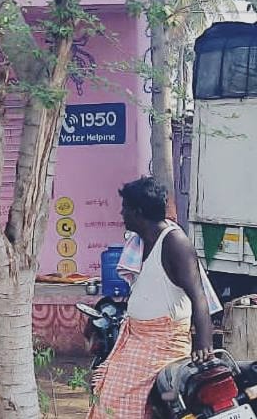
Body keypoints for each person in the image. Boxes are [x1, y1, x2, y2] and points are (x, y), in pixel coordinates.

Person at [88, 177, 214, 419]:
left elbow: (199, 297)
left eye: (125, 207)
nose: (121, 213)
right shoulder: (140, 242)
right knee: (105, 393)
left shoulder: (174, 242)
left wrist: (203, 344)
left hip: (163, 343)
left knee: (116, 401)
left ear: (138, 212)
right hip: (137, 339)